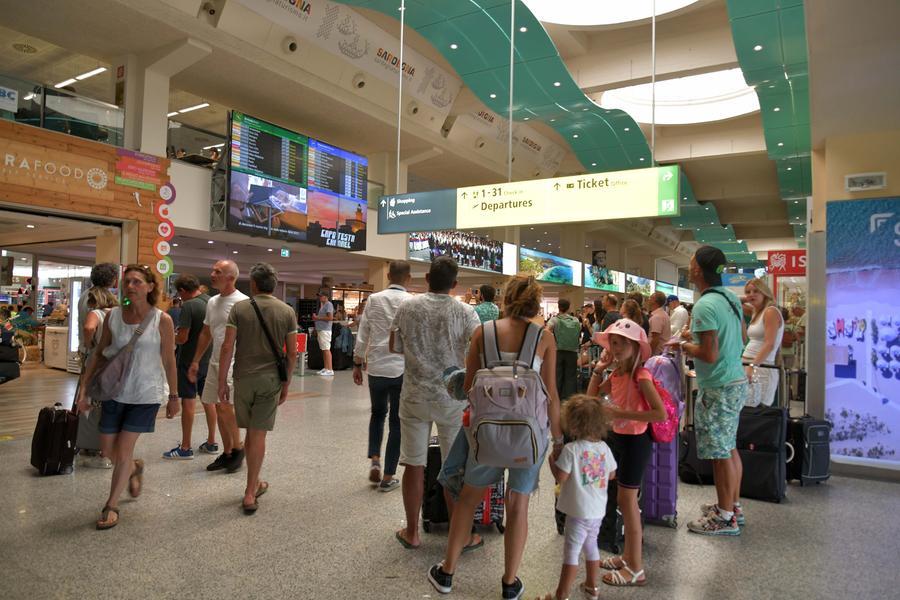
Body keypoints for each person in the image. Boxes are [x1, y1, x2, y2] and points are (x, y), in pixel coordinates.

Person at [427, 275, 563, 600]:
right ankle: (510, 582)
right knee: (519, 505)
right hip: (529, 437)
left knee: (468, 499)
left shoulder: (482, 334)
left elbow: (469, 388)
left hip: (485, 434)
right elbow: (552, 395)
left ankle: (447, 572)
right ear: (534, 303)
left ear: (506, 300)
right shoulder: (544, 338)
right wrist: (558, 440)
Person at [75, 264, 180, 530]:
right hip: (114, 392)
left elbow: (169, 360)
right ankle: (134, 468)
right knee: (108, 450)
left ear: (150, 286)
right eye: (127, 282)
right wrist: (84, 389)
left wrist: (175, 396)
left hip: (146, 394)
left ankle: (111, 504)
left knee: (122, 450)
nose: (130, 286)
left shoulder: (162, 320)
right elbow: (99, 354)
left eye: (136, 282)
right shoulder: (113, 317)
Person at [389, 256, 480, 551]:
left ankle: (412, 532)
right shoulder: (467, 313)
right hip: (452, 399)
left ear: (427, 278)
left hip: (414, 395)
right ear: (454, 284)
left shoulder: (406, 307)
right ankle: (460, 535)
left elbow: (394, 346)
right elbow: (478, 355)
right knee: (452, 468)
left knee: (414, 464)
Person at [672, 246, 748, 536]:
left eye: (691, 263)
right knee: (729, 448)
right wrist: (699, 336)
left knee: (719, 454)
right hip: (735, 381)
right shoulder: (729, 298)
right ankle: (733, 507)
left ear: (696, 270)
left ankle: (725, 516)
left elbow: (709, 354)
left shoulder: (704, 305)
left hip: (718, 385)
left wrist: (684, 345)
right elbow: (740, 336)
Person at [586, 319, 665, 586]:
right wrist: (600, 369)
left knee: (628, 504)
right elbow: (591, 399)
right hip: (619, 440)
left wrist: (622, 413)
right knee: (623, 501)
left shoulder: (641, 376)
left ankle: (636, 568)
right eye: (612, 343)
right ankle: (628, 557)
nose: (615, 348)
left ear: (634, 346)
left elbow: (659, 413)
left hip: (636, 442)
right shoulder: (617, 375)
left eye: (620, 343)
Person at [217, 263, 297, 514]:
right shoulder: (286, 311)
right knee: (257, 433)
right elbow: (292, 353)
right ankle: (251, 492)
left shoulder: (240, 309)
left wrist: (222, 381)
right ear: (273, 285)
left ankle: (255, 482)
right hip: (270, 379)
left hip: (243, 378)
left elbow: (227, 347)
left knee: (251, 433)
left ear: (253, 284)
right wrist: (287, 382)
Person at [542, 395, 616, 600]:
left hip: (577, 512)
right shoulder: (604, 449)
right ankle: (593, 587)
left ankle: (561, 595)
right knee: (591, 546)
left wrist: (551, 462)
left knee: (571, 553)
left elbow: (561, 478)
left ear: (572, 425)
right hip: (597, 510)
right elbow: (611, 475)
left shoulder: (571, 450)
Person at [353, 260, 412, 492]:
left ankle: (375, 459)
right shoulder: (411, 302)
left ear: (388, 274)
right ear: (408, 278)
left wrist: (357, 363)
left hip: (376, 367)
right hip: (401, 368)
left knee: (377, 414)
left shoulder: (374, 299)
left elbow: (363, 333)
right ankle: (388, 476)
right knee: (396, 422)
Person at [188, 260, 249, 473]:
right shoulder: (212, 302)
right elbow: (206, 333)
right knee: (215, 404)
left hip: (233, 363)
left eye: (218, 272)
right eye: (212, 270)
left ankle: (238, 448)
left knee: (225, 407)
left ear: (231, 278)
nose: (212, 274)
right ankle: (228, 451)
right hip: (215, 361)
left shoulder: (243, 302)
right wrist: (196, 360)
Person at [163, 274, 216, 459]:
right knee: (209, 401)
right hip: (208, 359)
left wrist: (170, 337)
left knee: (188, 401)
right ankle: (211, 442)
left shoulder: (189, 305)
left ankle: (185, 447)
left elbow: (183, 337)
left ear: (183, 291)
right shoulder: (211, 301)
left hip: (189, 361)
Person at [742, 278, 784, 407]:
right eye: (748, 292)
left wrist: (753, 366)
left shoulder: (771, 311)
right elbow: (734, 302)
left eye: (756, 291)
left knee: (759, 411)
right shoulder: (757, 312)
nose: (751, 295)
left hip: (762, 367)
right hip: (749, 365)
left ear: (764, 292)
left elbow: (769, 344)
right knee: (747, 409)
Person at [548, 298, 580, 401]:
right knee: (571, 376)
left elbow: (546, 330)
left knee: (557, 375)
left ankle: (556, 399)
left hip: (558, 351)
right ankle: (570, 400)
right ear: (569, 307)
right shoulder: (575, 320)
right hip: (573, 352)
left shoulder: (555, 319)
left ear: (558, 307)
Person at [313, 290, 335, 377]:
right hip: (321, 329)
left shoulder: (328, 304)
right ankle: (326, 368)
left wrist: (317, 317)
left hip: (325, 330)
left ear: (326, 297)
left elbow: (330, 318)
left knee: (326, 349)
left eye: (321, 296)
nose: (319, 297)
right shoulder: (323, 305)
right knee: (323, 349)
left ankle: (330, 369)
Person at [646, 291, 671, 356]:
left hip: (656, 354)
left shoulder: (657, 317)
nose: (648, 299)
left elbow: (655, 339)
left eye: (650, 298)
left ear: (654, 301)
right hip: (661, 352)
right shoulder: (663, 314)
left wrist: (649, 354)